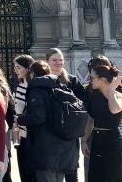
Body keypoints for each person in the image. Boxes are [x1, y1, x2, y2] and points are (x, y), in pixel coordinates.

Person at [18, 60, 79, 182]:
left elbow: (38, 116)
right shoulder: (61, 86)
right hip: (63, 147)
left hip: (45, 147)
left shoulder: (36, 90)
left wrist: (20, 119)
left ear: (32, 74)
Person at [83, 56, 122, 182]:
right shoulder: (94, 96)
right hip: (97, 139)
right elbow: (90, 120)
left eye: (92, 78)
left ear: (102, 79)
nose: (90, 80)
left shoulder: (120, 95)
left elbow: (114, 109)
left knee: (115, 176)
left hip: (114, 140)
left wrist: (111, 89)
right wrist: (84, 141)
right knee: (94, 176)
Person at [46, 49, 84, 182]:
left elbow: (82, 102)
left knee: (71, 169)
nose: (58, 63)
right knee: (52, 170)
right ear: (47, 62)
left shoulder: (72, 80)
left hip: (70, 131)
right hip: (51, 131)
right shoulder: (43, 81)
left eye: (60, 60)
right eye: (54, 60)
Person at [12, 55, 36, 182]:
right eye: (15, 67)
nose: (16, 70)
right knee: (23, 170)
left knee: (31, 171)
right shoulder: (18, 85)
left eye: (19, 67)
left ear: (28, 68)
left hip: (31, 135)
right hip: (19, 134)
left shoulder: (33, 86)